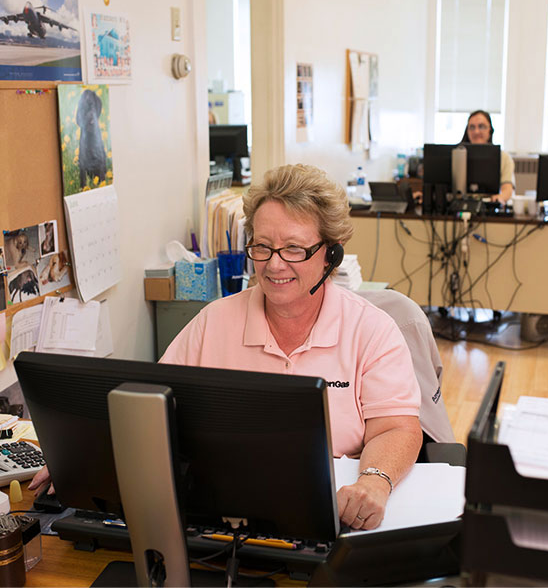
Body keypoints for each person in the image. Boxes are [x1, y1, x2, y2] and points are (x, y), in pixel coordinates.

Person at [32, 164, 423, 531]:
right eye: (262, 247)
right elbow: (150, 404)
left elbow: (397, 427)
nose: (273, 265)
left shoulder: (372, 330)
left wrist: (375, 481)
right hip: (224, 513)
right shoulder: (214, 322)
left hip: (328, 512)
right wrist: (89, 455)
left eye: (293, 249)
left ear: (330, 256)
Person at [461, 109, 516, 203]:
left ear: (490, 130)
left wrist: (498, 199)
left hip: (489, 208)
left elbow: (507, 189)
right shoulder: (456, 156)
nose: (476, 132)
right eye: (472, 127)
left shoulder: (504, 157)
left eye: (481, 126)